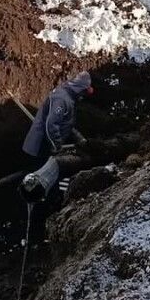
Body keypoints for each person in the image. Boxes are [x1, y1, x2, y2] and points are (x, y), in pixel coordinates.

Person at [20, 72, 93, 202]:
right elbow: (50, 125)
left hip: (45, 145)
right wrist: (57, 146)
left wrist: (78, 138)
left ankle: (50, 199)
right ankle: (39, 205)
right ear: (79, 89)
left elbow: (66, 123)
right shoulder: (62, 99)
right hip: (40, 147)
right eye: (84, 93)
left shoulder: (68, 95)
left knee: (48, 180)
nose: (84, 97)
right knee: (39, 182)